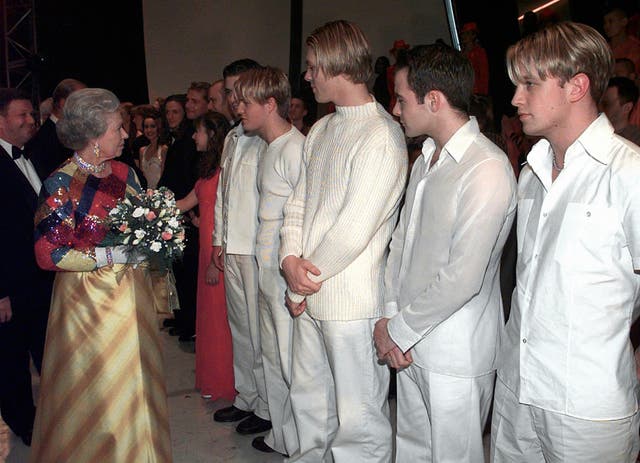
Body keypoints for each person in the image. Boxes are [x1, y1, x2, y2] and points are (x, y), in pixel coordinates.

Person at [491, 22, 640, 462]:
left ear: (577, 86)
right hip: (517, 390)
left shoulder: (628, 172)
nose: (516, 98)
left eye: (530, 84)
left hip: (587, 406)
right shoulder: (530, 173)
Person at [373, 43, 516, 462]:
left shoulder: (486, 167)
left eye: (401, 99)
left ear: (433, 100)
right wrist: (390, 314)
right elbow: (400, 244)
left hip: (455, 350)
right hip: (409, 340)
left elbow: (463, 278)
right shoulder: (426, 159)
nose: (396, 110)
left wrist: (397, 329)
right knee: (414, 452)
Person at [280, 20, 407, 462]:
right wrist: (288, 260)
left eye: (314, 67)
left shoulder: (381, 136)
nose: (308, 76)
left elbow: (353, 230)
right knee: (310, 404)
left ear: (337, 65)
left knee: (359, 421)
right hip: (309, 289)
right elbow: (297, 204)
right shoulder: (321, 130)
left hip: (351, 302)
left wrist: (300, 277)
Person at [30, 88, 171, 462]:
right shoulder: (61, 183)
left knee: (139, 379)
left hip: (132, 293)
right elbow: (49, 254)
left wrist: (153, 239)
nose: (126, 134)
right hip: (87, 302)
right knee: (100, 387)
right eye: (117, 128)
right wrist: (106, 254)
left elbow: (144, 222)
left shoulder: (126, 173)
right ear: (93, 136)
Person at [235, 66, 305, 456]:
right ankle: (283, 435)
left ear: (270, 103)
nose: (239, 109)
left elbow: (303, 219)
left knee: (293, 364)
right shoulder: (268, 148)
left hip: (284, 278)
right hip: (266, 273)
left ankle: (302, 442)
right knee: (273, 360)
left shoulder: (295, 149)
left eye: (246, 102)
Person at [211, 58, 272, 436]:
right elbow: (223, 193)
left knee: (261, 330)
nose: (233, 100)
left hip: (256, 249)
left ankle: (267, 406)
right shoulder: (234, 136)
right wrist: (219, 238)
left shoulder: (266, 137)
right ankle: (247, 397)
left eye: (237, 91)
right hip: (233, 246)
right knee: (241, 328)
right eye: (230, 91)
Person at [0, 88, 53, 448]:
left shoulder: (28, 156)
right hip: (10, 284)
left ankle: (51, 415)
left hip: (38, 278)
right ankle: (22, 421)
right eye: (22, 115)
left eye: (32, 115)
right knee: (11, 359)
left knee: (45, 347)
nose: (31, 121)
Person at [175, 111, 235, 402]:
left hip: (217, 256)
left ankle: (225, 382)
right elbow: (185, 203)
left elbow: (228, 217)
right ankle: (214, 378)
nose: (194, 137)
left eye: (198, 131)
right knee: (209, 318)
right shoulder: (208, 172)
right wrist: (145, 211)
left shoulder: (226, 171)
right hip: (205, 251)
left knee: (219, 319)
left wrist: (214, 260)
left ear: (211, 135)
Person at [158, 90, 200, 342]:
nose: (171, 116)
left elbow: (187, 178)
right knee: (179, 271)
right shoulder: (175, 140)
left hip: (186, 211)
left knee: (187, 272)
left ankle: (189, 322)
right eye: (168, 112)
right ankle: (184, 319)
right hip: (176, 208)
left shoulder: (187, 141)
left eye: (176, 111)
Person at [27, 78, 86, 180]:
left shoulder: (70, 133)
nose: (86, 106)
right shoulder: (45, 139)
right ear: (63, 103)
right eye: (81, 100)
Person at [601, 76, 640, 146]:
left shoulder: (636, 140)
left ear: (627, 108)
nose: (600, 108)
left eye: (606, 104)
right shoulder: (594, 132)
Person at [605, 6, 640, 77]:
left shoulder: (635, 47)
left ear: (624, 22)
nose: (606, 26)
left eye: (610, 21)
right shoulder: (604, 48)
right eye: (605, 22)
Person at [137, 108, 168, 188]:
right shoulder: (142, 150)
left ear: (159, 127)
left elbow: (164, 176)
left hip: (160, 193)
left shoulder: (163, 149)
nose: (149, 130)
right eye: (146, 127)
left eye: (152, 126)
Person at [461, 22, 490, 95]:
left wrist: (483, 95)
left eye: (467, 34)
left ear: (473, 35)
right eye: (463, 34)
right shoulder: (462, 53)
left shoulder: (479, 52)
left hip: (477, 93)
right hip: (466, 91)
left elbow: (484, 74)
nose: (464, 36)